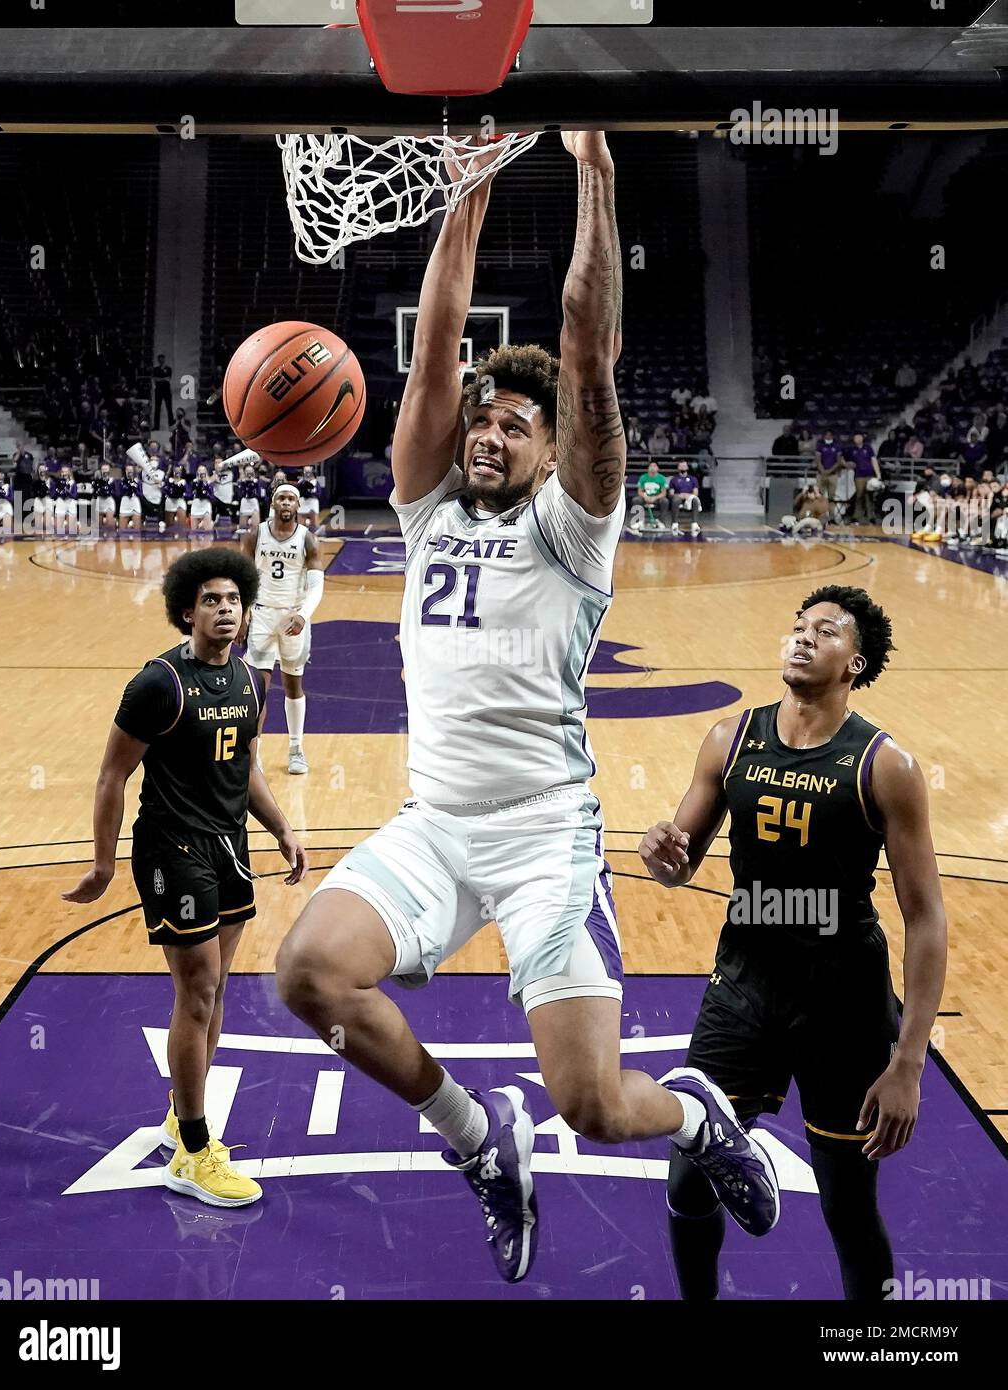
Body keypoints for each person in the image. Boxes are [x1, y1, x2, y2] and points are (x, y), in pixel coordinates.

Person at [274, 130, 779, 1286]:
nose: (487, 430)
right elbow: (436, 356)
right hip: (437, 822)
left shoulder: (573, 528)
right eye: (481, 418)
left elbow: (589, 356)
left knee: (599, 1106)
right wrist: (469, 187)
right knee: (309, 972)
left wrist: (593, 173)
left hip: (546, 833)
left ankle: (696, 1118)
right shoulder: (425, 508)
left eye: (514, 423)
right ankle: (474, 1132)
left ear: (555, 456)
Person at [640, 586, 947, 1301]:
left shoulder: (883, 765)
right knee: (690, 1174)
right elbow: (676, 866)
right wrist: (661, 852)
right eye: (797, 626)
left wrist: (907, 1062)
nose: (802, 638)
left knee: (846, 1201)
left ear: (854, 663)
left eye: (826, 632)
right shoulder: (730, 737)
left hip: (843, 1002)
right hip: (743, 988)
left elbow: (926, 917)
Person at [62, 548, 309, 1207]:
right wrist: (104, 862)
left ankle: (184, 1112)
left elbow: (247, 768)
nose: (224, 611)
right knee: (197, 990)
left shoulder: (252, 683)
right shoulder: (159, 685)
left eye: (233, 600)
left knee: (215, 989)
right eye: (211, 601)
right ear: (185, 611)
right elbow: (113, 775)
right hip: (172, 850)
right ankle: (193, 1152)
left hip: (228, 847)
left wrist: (281, 827)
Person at [240, 484, 323, 776]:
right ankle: (254, 756)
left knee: (293, 685)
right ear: (272, 503)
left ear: (298, 505)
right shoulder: (256, 535)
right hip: (262, 614)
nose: (286, 503)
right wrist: (242, 616)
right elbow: (243, 578)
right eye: (281, 498)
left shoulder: (307, 539)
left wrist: (302, 615)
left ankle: (296, 748)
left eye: (291, 499)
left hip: (293, 618)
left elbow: (316, 586)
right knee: (257, 690)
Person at [846, 433, 881, 523]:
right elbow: (844, 460)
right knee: (859, 496)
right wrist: (847, 465)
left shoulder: (868, 448)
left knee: (869, 496)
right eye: (856, 437)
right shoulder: (851, 450)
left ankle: (871, 516)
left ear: (862, 438)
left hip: (869, 475)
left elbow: (874, 460)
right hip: (858, 476)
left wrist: (878, 474)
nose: (857, 439)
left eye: (859, 437)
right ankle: (856, 516)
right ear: (854, 439)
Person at [668, 459, 702, 535]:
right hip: (678, 497)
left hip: (689, 498)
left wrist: (688, 495)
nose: (683, 467)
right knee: (675, 500)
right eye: (681, 466)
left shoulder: (693, 479)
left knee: (695, 500)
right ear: (678, 468)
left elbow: (696, 492)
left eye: (684, 466)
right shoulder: (674, 479)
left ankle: (694, 523)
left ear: (687, 467)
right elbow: (671, 494)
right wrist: (680, 495)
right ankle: (674, 523)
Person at [635, 459, 668, 530]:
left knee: (665, 501)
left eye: (654, 466)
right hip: (645, 497)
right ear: (648, 468)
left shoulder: (661, 478)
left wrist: (655, 498)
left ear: (658, 468)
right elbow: (639, 491)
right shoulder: (643, 477)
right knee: (636, 500)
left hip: (657, 498)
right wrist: (644, 496)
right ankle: (639, 521)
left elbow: (664, 493)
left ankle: (662, 521)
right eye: (651, 466)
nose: (652, 467)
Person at [815, 429, 843, 503]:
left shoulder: (837, 446)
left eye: (830, 435)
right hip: (821, 474)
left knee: (831, 498)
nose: (828, 436)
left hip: (832, 475)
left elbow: (838, 462)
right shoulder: (820, 446)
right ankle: (820, 513)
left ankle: (831, 514)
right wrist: (823, 471)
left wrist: (829, 471)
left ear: (832, 436)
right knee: (819, 496)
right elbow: (818, 460)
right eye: (827, 435)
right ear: (824, 436)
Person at [189, 464, 217, 535]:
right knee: (194, 531)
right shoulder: (194, 482)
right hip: (196, 505)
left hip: (206, 505)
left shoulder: (209, 483)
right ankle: (195, 544)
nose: (201, 473)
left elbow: (212, 496)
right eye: (199, 471)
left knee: (207, 531)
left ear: (206, 472)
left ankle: (207, 544)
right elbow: (192, 493)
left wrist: (206, 484)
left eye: (203, 471)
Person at [236, 464, 263, 534]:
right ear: (245, 472)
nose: (249, 473)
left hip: (253, 501)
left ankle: (254, 537)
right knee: (242, 526)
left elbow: (259, 494)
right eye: (247, 471)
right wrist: (243, 481)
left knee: (255, 525)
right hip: (245, 501)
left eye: (251, 471)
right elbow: (239, 494)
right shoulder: (241, 482)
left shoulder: (257, 481)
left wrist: (253, 482)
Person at [93, 462, 118, 533]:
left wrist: (109, 491)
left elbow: (116, 492)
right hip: (100, 501)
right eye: (103, 469)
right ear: (101, 470)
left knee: (110, 525)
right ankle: (100, 540)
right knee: (98, 527)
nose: (105, 471)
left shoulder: (112, 480)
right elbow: (94, 492)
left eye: (106, 469)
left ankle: (110, 539)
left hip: (109, 500)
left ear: (109, 470)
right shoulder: (97, 481)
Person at [118, 462, 143, 532]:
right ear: (125, 471)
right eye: (127, 470)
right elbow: (118, 493)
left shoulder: (138, 482)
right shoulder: (121, 481)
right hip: (125, 503)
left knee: (137, 531)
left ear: (133, 471)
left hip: (135, 503)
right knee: (122, 531)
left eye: (131, 471)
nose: (129, 472)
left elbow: (141, 494)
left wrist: (134, 488)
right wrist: (126, 487)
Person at [163, 463, 189, 533]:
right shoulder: (169, 480)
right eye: (175, 471)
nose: (177, 473)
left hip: (180, 501)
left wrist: (182, 493)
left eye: (179, 472)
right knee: (169, 524)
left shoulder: (183, 482)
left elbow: (188, 493)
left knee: (181, 524)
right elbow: (165, 490)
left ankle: (181, 539)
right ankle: (169, 538)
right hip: (170, 501)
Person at [297, 464, 323, 531]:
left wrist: (311, 494)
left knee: (315, 525)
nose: (307, 473)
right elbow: (297, 493)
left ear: (312, 472)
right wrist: (303, 492)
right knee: (300, 526)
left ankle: (314, 537)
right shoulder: (300, 482)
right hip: (302, 503)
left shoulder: (316, 482)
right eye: (305, 471)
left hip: (313, 503)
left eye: (309, 471)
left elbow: (319, 494)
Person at [152, 353, 173, 430]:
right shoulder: (155, 369)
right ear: (158, 360)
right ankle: (156, 426)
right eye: (159, 358)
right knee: (157, 409)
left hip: (167, 390)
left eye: (162, 358)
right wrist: (163, 379)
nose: (161, 360)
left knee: (169, 408)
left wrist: (159, 379)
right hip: (158, 391)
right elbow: (155, 379)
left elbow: (168, 378)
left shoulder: (169, 369)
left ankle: (171, 426)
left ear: (164, 359)